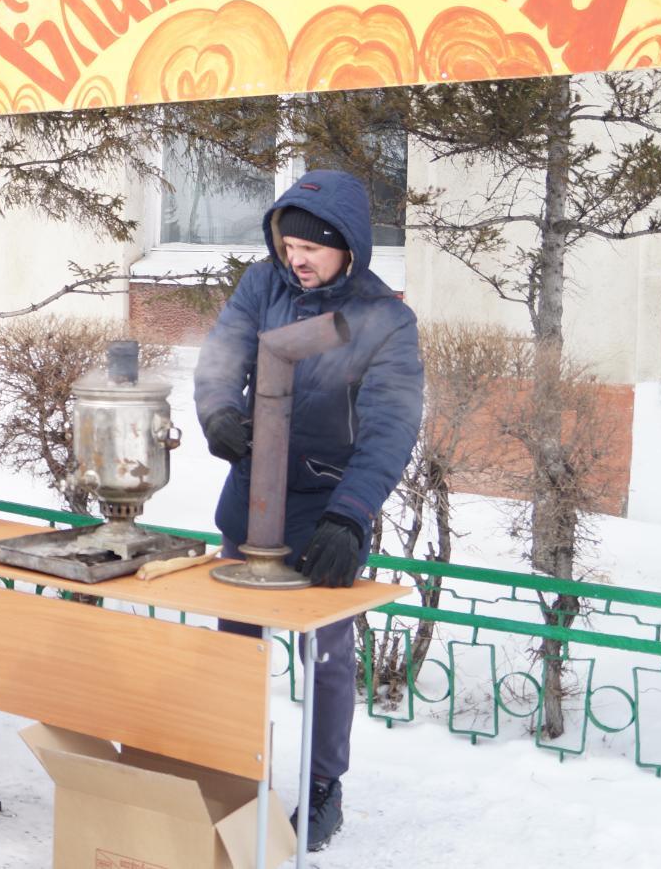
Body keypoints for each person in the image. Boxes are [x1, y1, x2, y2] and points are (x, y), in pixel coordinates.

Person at [193, 169, 423, 853]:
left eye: (313, 248)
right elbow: (221, 356)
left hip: (326, 512)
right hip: (251, 505)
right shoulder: (263, 286)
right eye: (289, 243)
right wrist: (220, 414)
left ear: (348, 246)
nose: (298, 258)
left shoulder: (386, 320)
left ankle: (323, 785)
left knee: (325, 659)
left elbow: (390, 428)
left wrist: (351, 516)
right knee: (233, 649)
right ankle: (229, 772)